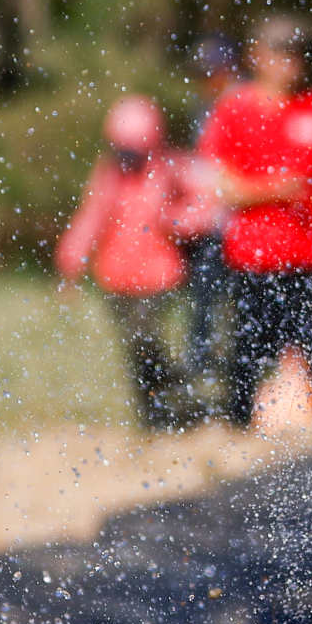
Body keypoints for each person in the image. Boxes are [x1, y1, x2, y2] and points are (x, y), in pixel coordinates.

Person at [198, 15, 312, 429]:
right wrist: (277, 190)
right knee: (248, 346)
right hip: (254, 252)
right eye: (282, 49)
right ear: (257, 54)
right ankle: (238, 424)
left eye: (298, 49)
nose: (292, 59)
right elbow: (223, 187)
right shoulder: (234, 109)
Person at [56, 96, 202, 431]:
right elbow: (91, 218)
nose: (127, 157)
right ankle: (152, 418)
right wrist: (71, 265)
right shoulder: (108, 174)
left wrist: (175, 221)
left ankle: (179, 400)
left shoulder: (173, 168)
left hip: (159, 275)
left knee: (146, 341)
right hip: (117, 276)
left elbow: (203, 207)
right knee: (135, 352)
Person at [182, 34, 240, 391]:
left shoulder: (247, 104)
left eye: (212, 72)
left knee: (240, 303)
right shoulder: (201, 108)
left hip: (241, 223)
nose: (206, 81)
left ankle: (240, 365)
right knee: (203, 296)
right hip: (209, 224)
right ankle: (200, 362)